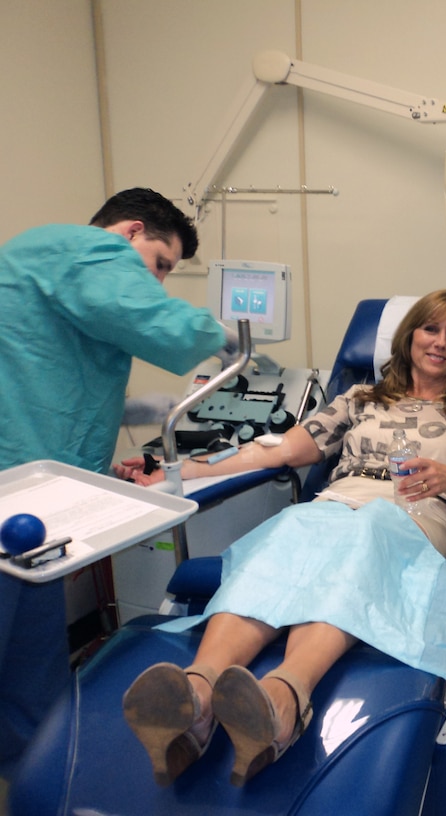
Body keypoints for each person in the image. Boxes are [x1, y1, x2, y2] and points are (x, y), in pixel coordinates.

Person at [113, 290, 446, 787]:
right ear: (409, 336)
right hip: (336, 505)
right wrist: (176, 473)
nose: (441, 342)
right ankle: (197, 692)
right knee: (292, 528)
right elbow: (277, 452)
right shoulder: (360, 399)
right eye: (432, 329)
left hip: (418, 514)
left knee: (367, 534)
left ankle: (284, 698)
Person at [0, 188, 227, 777]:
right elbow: (155, 321)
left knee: (32, 661)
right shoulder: (84, 250)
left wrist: (120, 424)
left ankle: (37, 776)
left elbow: (51, 380)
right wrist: (221, 333)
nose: (156, 283)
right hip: (13, 497)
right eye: (160, 264)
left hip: (36, 505)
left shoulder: (55, 268)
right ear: (128, 232)